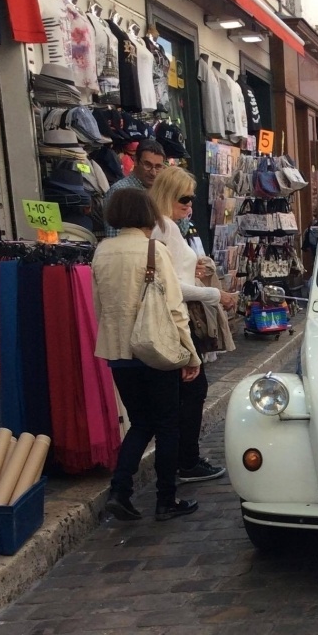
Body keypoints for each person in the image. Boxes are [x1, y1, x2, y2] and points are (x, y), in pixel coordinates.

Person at [93, 189, 200, 521]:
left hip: (119, 352)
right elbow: (174, 308)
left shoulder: (102, 251)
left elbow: (99, 307)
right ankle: (166, 499)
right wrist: (190, 354)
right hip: (154, 348)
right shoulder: (155, 250)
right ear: (149, 215)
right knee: (168, 425)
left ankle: (120, 491)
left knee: (140, 423)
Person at [149, 166, 237, 484]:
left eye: (192, 198)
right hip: (177, 320)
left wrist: (195, 273)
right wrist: (216, 294)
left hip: (177, 316)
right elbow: (174, 288)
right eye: (184, 198)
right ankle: (185, 460)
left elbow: (175, 278)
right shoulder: (165, 228)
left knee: (185, 392)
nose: (190, 204)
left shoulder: (164, 227)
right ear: (169, 196)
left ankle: (182, 460)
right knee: (191, 390)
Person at [102, 140, 166, 237]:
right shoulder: (120, 191)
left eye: (158, 167)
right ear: (135, 161)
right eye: (147, 165)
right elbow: (114, 236)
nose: (153, 172)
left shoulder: (163, 191)